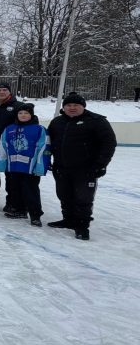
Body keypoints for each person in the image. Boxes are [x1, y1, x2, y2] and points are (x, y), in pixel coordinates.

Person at [47, 92, 117, 240]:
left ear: (83, 106)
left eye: (76, 105)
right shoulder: (57, 122)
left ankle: (82, 227)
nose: (72, 108)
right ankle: (68, 220)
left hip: (86, 169)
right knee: (64, 196)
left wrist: (100, 164)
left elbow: (108, 144)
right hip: (61, 167)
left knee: (83, 198)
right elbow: (48, 143)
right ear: (64, 107)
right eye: (68, 105)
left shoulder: (96, 121)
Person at [0, 104, 49, 226]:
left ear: (31, 115)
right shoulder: (9, 128)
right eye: (20, 113)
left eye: (26, 113)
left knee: (30, 191)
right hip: (13, 166)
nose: (23, 115)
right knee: (15, 189)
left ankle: (35, 214)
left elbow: (42, 148)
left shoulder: (39, 129)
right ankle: (19, 210)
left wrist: (40, 165)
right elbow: (3, 146)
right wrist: (1, 162)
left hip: (30, 168)